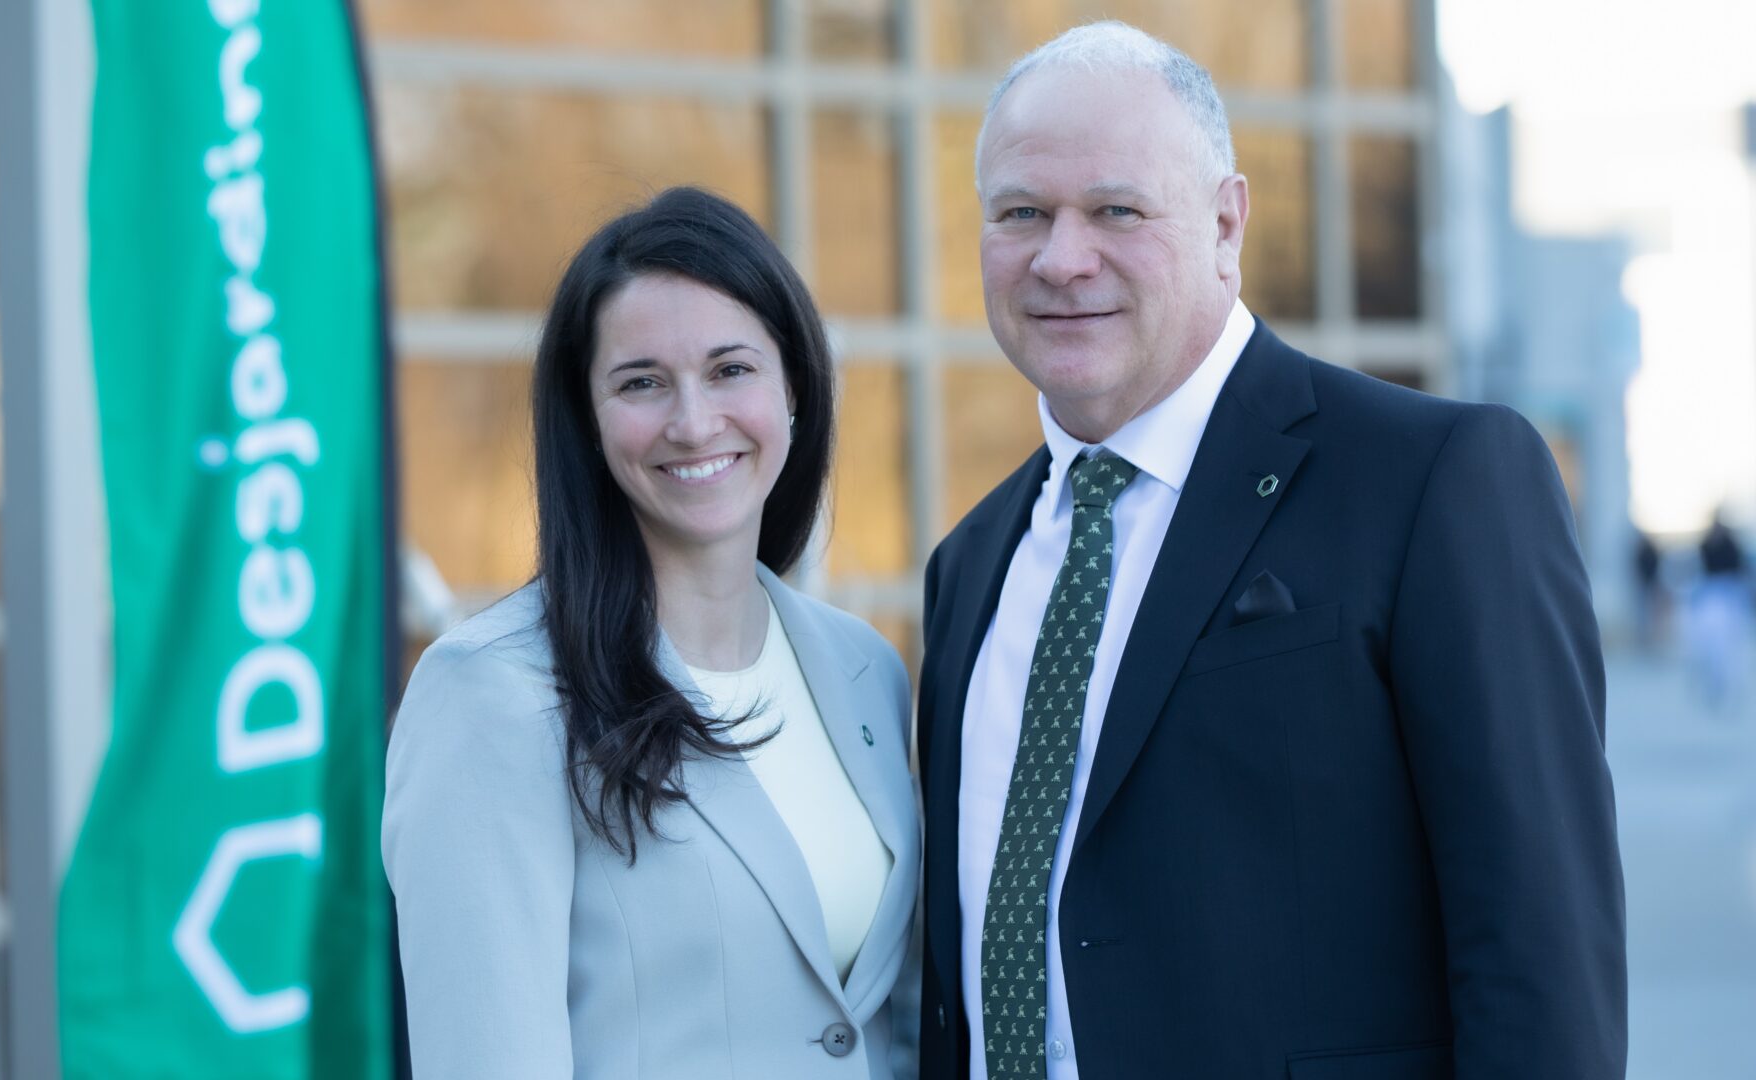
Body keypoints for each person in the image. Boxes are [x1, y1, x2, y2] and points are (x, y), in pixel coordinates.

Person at [915, 22, 1626, 1078]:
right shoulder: (970, 563)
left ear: (1224, 223)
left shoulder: (1434, 483)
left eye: (1116, 209)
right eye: (1022, 214)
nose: (1063, 257)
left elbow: (1538, 959)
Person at [384, 187, 921, 1079]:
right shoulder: (491, 694)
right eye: (641, 383)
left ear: (794, 384)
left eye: (730, 369)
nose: (693, 421)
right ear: (589, 421)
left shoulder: (864, 667)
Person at [1689, 508, 1750, 709]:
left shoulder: (1732, 544)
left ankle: (1727, 682)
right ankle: (1713, 681)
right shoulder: (1706, 543)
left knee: (1727, 645)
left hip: (1728, 594)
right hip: (1712, 594)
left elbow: (1739, 571)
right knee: (1710, 642)